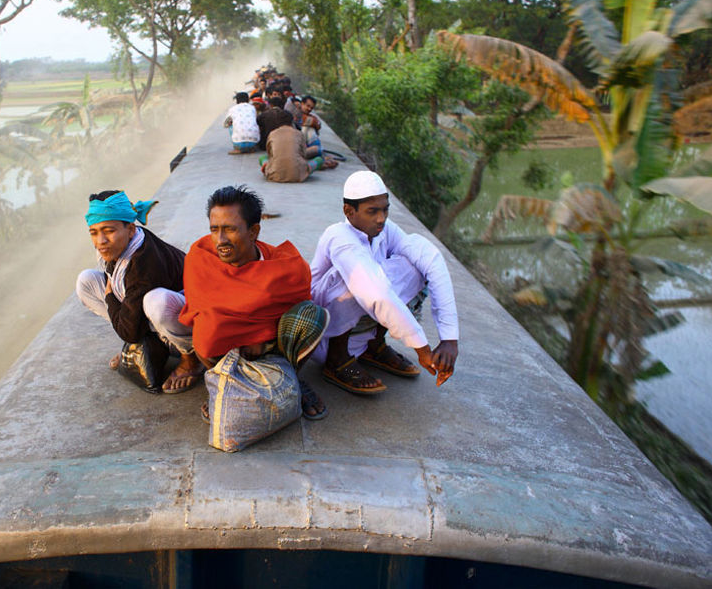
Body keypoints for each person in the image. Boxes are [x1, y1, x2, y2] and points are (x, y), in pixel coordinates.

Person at [179, 185, 329, 419]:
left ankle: (291, 379)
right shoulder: (200, 257)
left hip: (272, 345)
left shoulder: (286, 267)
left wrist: (258, 337)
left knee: (312, 316)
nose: (220, 240)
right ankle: (220, 382)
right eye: (214, 229)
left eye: (230, 229)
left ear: (253, 231)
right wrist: (246, 339)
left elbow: (297, 307)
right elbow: (199, 309)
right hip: (225, 346)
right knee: (205, 333)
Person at [309, 171, 459, 394]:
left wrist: (449, 339)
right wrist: (422, 348)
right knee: (355, 279)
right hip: (323, 330)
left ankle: (373, 345)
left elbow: (430, 259)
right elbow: (375, 293)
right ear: (349, 212)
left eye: (385, 209)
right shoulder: (339, 237)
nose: (381, 218)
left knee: (415, 265)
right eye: (372, 211)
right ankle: (337, 360)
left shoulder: (383, 230)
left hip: (357, 327)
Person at [76, 190, 203, 394]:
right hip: (141, 304)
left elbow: (130, 333)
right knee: (86, 281)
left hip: (193, 317)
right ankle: (151, 340)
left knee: (157, 302)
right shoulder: (115, 246)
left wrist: (110, 296)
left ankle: (191, 356)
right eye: (94, 232)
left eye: (108, 231)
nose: (100, 241)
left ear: (131, 230)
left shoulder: (144, 264)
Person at [259, 123, 337, 183]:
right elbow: (303, 155)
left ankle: (266, 168)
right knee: (319, 160)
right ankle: (323, 164)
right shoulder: (299, 134)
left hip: (274, 175)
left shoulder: (272, 133)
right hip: (298, 175)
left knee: (262, 158)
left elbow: (270, 154)